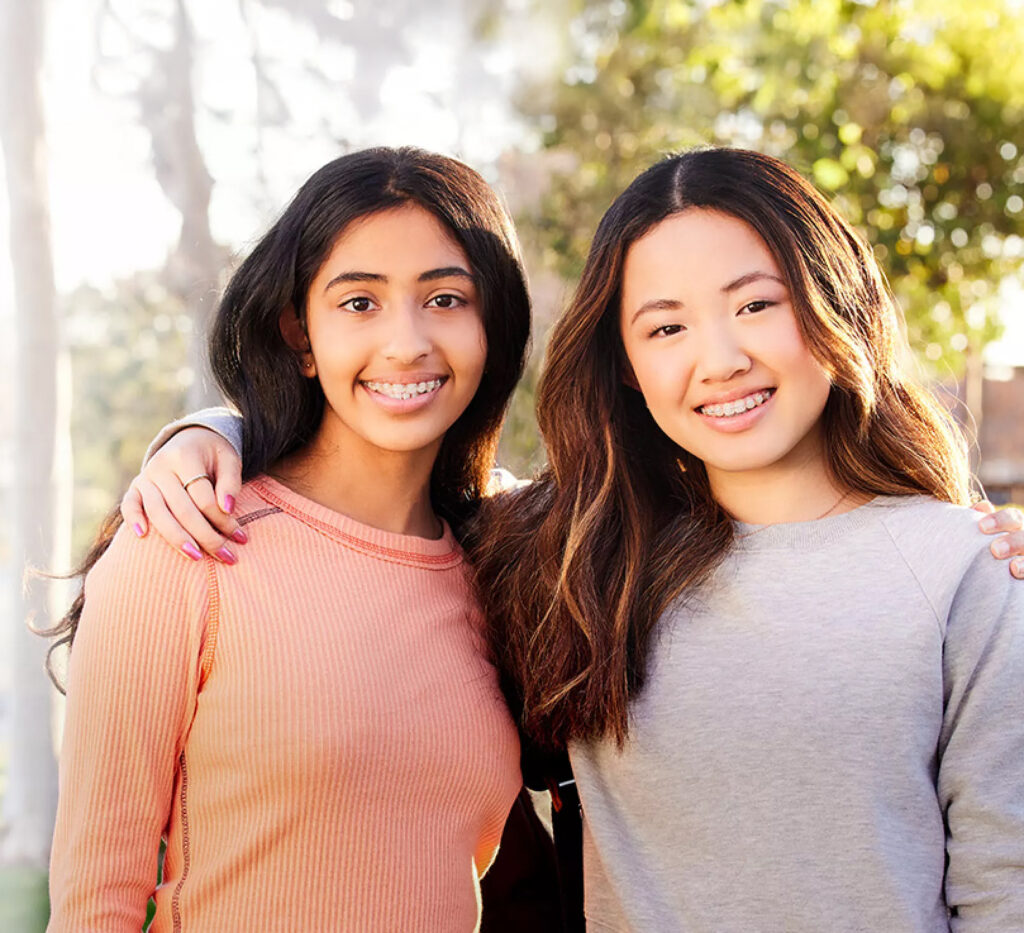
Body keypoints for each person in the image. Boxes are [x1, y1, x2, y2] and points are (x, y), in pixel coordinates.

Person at [122, 149, 1024, 931]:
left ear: (838, 306)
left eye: (757, 305)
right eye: (666, 326)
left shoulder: (965, 571)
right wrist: (213, 434)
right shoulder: (572, 555)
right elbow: (389, 512)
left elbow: (1005, 887)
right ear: (625, 366)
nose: (719, 359)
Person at [45, 146, 533, 932]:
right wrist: (207, 430)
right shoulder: (185, 541)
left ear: (492, 325)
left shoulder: (508, 562)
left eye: (446, 298)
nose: (406, 342)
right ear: (300, 336)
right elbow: (95, 900)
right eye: (359, 303)